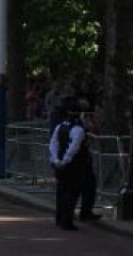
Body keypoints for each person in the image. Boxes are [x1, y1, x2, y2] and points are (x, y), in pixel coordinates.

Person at [50, 97, 92, 230]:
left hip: (60, 163)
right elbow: (73, 148)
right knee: (71, 193)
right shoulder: (78, 129)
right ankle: (66, 221)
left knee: (61, 192)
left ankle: (60, 217)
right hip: (74, 165)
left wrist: (55, 160)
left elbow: (53, 144)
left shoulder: (60, 126)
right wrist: (65, 161)